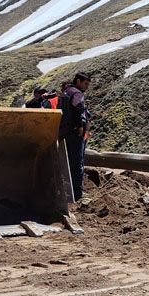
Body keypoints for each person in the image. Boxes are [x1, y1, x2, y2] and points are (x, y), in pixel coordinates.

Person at [59, 72, 92, 200]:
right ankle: (78, 194)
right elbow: (77, 107)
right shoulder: (77, 93)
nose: (87, 86)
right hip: (74, 132)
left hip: (64, 132)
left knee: (67, 163)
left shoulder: (66, 91)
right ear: (78, 81)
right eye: (85, 83)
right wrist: (80, 126)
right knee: (77, 163)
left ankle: (67, 192)